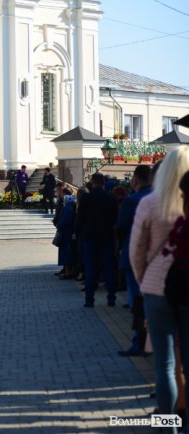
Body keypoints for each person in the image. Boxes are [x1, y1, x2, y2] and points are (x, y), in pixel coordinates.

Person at [130, 147, 189, 425]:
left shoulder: (151, 203)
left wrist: (144, 280)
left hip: (157, 288)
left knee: (165, 365)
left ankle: (167, 425)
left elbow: (136, 250)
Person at [115, 165, 153, 357]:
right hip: (156, 260)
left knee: (137, 302)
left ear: (136, 180)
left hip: (134, 256)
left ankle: (140, 342)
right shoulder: (163, 198)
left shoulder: (132, 200)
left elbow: (121, 228)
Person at [75, 172, 118, 308]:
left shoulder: (86, 198)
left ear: (93, 182)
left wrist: (77, 233)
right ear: (104, 183)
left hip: (89, 237)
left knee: (90, 268)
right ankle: (111, 299)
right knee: (108, 267)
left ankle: (89, 300)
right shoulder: (110, 198)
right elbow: (115, 218)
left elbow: (79, 218)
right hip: (106, 236)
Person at [56, 194, 77, 279]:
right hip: (69, 233)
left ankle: (68, 272)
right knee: (69, 253)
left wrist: (58, 225)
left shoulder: (68, 208)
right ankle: (70, 271)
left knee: (66, 253)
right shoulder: (72, 207)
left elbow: (65, 221)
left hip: (66, 234)